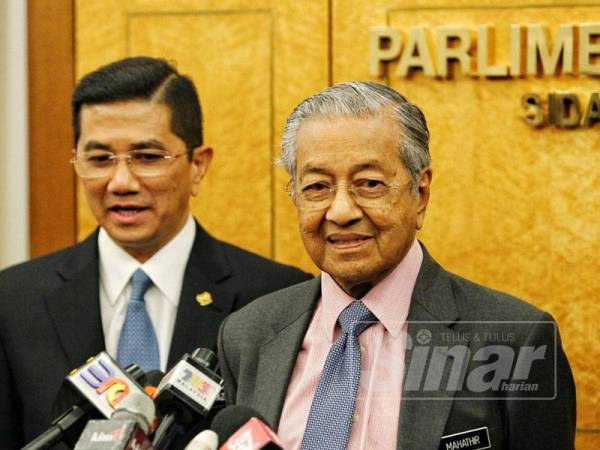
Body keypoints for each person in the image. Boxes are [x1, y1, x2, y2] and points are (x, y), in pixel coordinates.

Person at [217, 82, 576, 449]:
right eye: (317, 187)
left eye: (369, 183)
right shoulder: (249, 335)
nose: (340, 211)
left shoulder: (517, 340)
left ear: (420, 195)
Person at [0, 56, 311, 449]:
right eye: (99, 160)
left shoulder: (277, 298)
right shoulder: (14, 300)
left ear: (198, 165)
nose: (121, 181)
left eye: (147, 158)